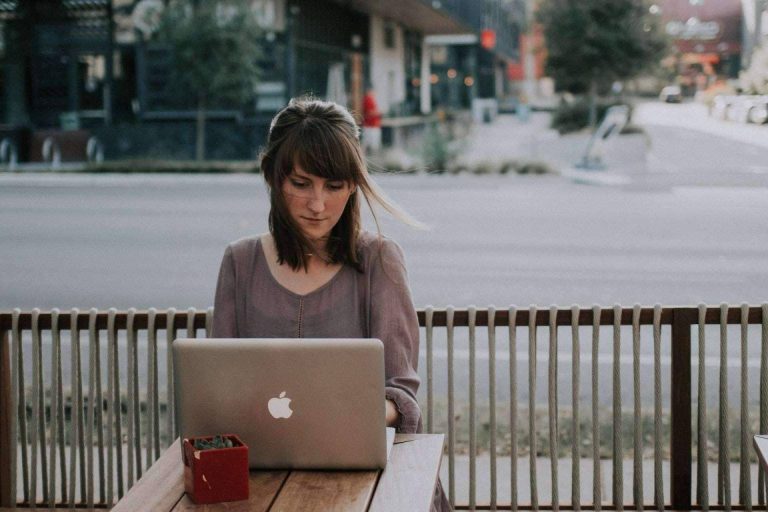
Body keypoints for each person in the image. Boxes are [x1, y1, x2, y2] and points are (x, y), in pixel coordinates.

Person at [211, 98, 451, 511]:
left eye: (334, 186)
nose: (318, 205)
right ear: (272, 177)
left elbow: (402, 394)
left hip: (367, 483)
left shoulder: (379, 260)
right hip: (263, 480)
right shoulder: (240, 262)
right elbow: (217, 387)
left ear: (354, 184)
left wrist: (356, 415)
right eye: (301, 184)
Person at [362, 86, 382, 153]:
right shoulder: (368, 99)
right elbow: (369, 112)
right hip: (370, 124)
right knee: (370, 142)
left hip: (372, 124)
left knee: (369, 142)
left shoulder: (371, 99)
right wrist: (378, 112)